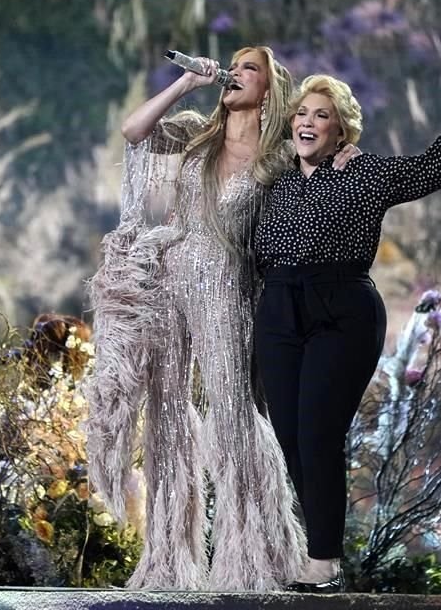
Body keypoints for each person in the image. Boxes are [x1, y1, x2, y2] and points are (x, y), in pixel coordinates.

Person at [85, 46, 358, 591]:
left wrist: (346, 155)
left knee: (231, 413)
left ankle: (251, 554)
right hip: (169, 279)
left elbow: (325, 152)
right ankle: (169, 560)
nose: (235, 72)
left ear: (270, 87)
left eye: (249, 67)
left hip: (227, 285)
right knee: (167, 419)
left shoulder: (279, 154)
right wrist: (186, 83)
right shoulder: (195, 133)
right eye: (233, 64)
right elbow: (134, 130)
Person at [252, 60, 441, 590]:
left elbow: (432, 166)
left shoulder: (363, 172)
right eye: (301, 113)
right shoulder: (272, 178)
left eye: (320, 115)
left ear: (339, 130)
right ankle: (309, 545)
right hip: (278, 307)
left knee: (318, 433)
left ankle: (322, 559)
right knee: (289, 439)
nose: (307, 121)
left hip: (341, 309)